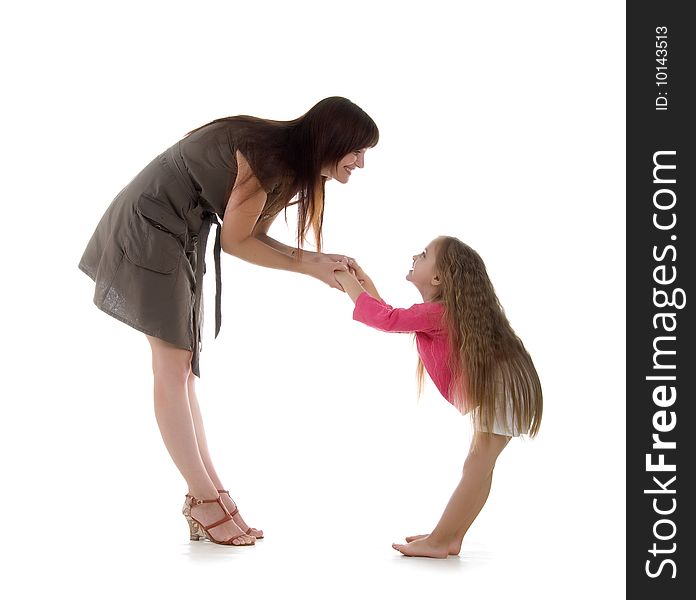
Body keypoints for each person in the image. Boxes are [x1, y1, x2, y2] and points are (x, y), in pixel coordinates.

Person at [79, 97, 379, 546]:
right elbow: (238, 243)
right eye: (357, 150)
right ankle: (203, 498)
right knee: (172, 369)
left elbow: (250, 234)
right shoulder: (269, 158)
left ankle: (211, 493)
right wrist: (308, 266)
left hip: (175, 231)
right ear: (331, 140)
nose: (360, 163)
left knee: (183, 373)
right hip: (151, 228)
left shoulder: (285, 163)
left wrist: (317, 259)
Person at [334, 236, 543, 558]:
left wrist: (347, 282)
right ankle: (449, 535)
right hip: (506, 381)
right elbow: (391, 316)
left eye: (425, 253)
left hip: (504, 383)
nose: (416, 254)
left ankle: (442, 539)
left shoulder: (438, 313)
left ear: (437, 278)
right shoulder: (438, 312)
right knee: (480, 465)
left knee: (478, 463)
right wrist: (362, 284)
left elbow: (386, 320)